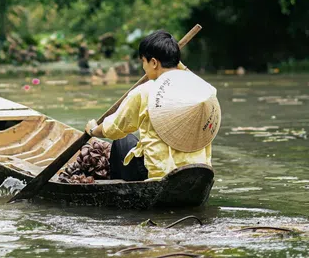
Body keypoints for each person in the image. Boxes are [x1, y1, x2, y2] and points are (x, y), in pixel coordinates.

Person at [85, 30, 221, 181]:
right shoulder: (204, 91)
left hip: (158, 176)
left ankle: (117, 194)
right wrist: (177, 65)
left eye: (143, 61)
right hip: (199, 173)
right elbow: (203, 86)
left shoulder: (144, 92)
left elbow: (113, 128)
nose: (143, 67)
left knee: (122, 141)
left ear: (154, 62)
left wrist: (92, 130)